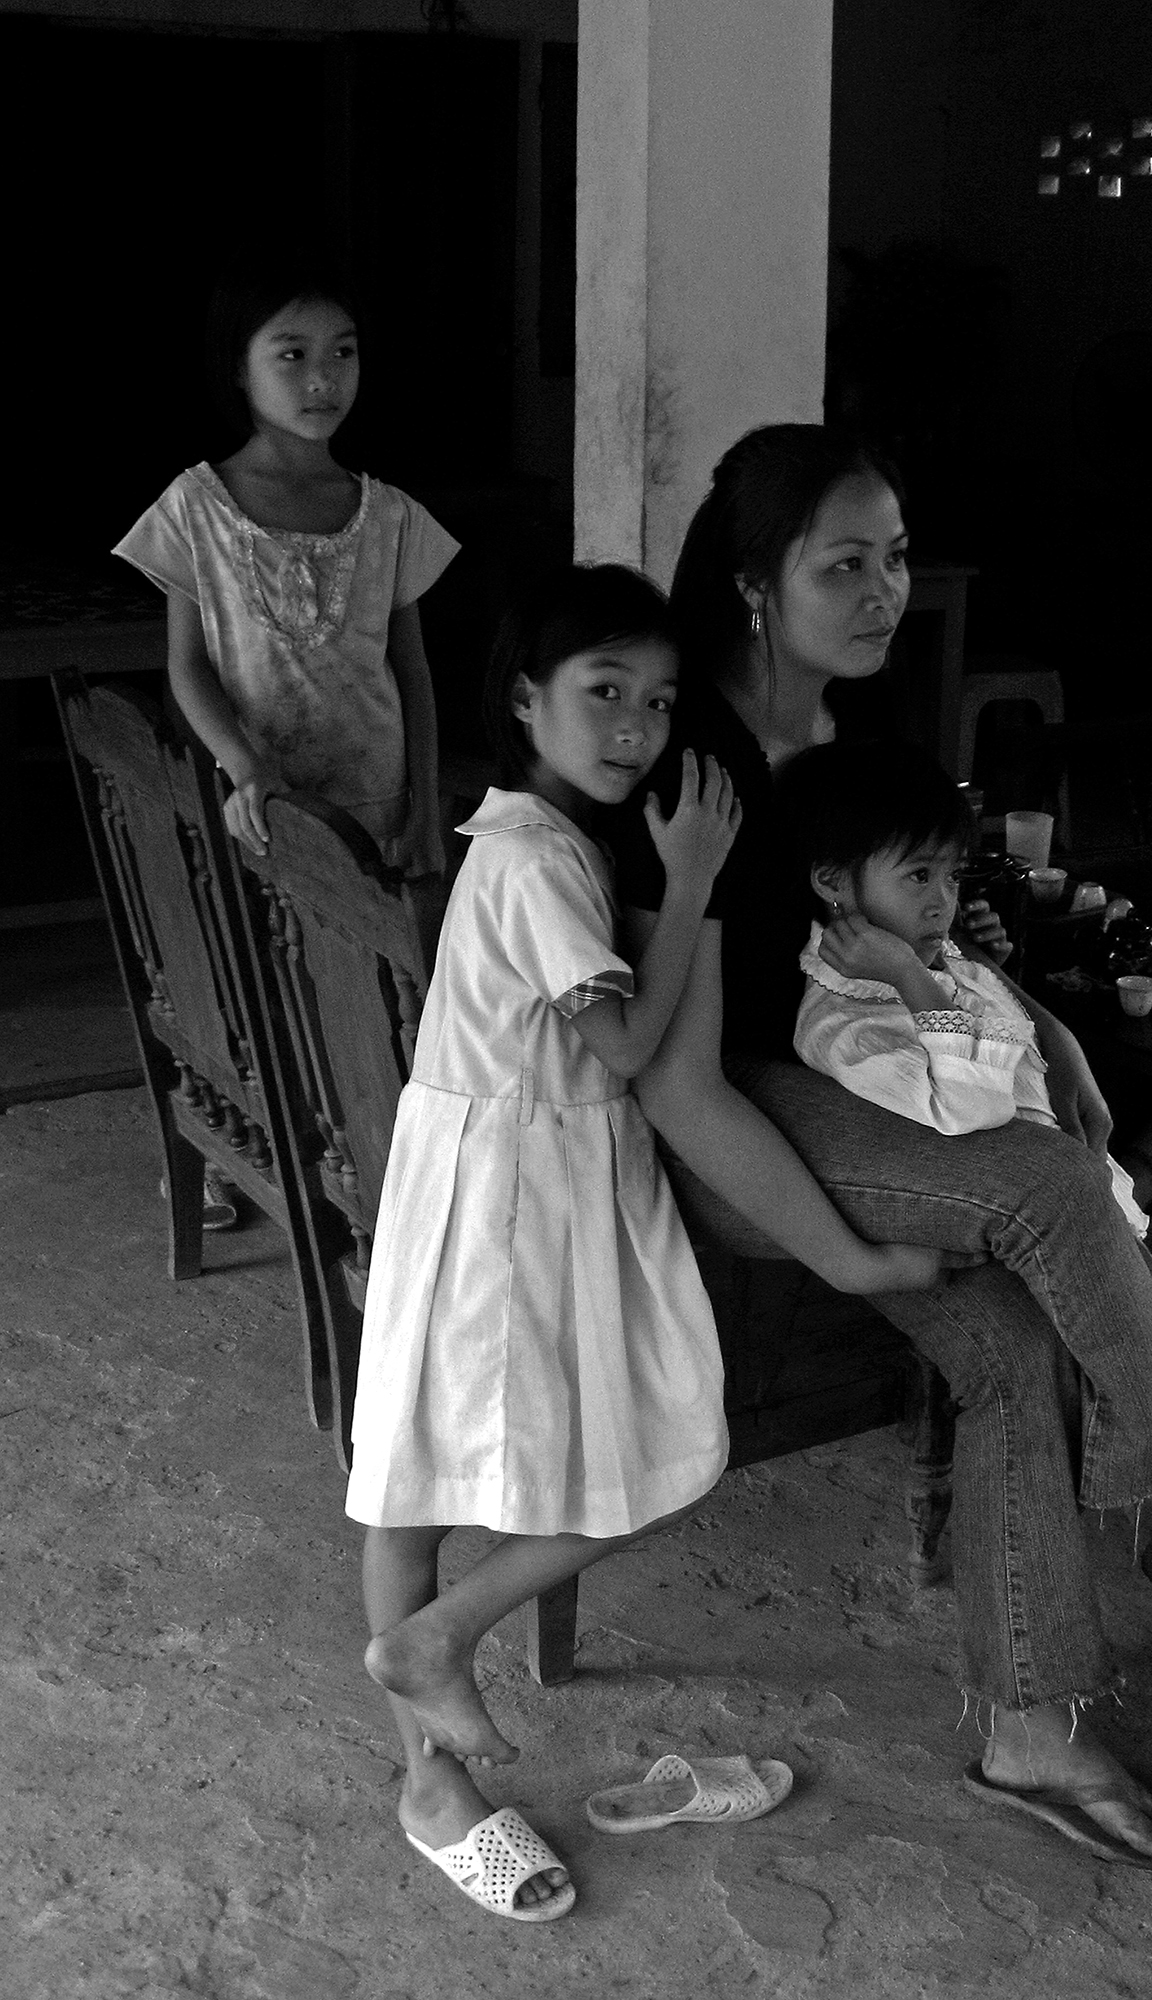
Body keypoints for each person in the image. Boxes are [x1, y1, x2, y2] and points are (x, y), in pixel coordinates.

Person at [609, 424, 1152, 1874]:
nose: (886, 589)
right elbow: (683, 1087)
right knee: (1060, 1187)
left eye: (896, 556)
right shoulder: (700, 776)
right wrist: (845, 1254)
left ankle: (1031, 1728)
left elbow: (923, 947)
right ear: (751, 583)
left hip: (887, 1092)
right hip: (744, 1124)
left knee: (1016, 1339)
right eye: (844, 564)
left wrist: (1048, 1033)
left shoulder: (860, 743)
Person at [344, 565, 746, 1922]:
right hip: (513, 1197)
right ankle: (434, 1741)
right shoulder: (532, 861)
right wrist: (694, 881)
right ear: (526, 701)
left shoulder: (543, 839)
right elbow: (623, 1046)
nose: (635, 726)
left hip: (499, 1174)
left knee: (450, 1474)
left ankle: (429, 1676)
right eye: (603, 691)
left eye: (659, 702)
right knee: (625, 1451)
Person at [114, 262, 456, 880]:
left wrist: (426, 810)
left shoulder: (390, 517)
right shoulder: (196, 509)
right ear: (239, 369)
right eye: (293, 354)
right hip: (257, 807)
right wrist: (245, 767)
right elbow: (187, 665)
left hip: (376, 807)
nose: (323, 377)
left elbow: (413, 672)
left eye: (343, 351)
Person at [782, 736, 1149, 1241]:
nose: (943, 903)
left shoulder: (936, 961)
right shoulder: (844, 1023)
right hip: (1033, 1238)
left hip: (1084, 1205)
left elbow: (1010, 1046)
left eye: (952, 875)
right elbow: (973, 1107)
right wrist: (911, 977)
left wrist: (983, 970)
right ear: (831, 881)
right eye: (918, 875)